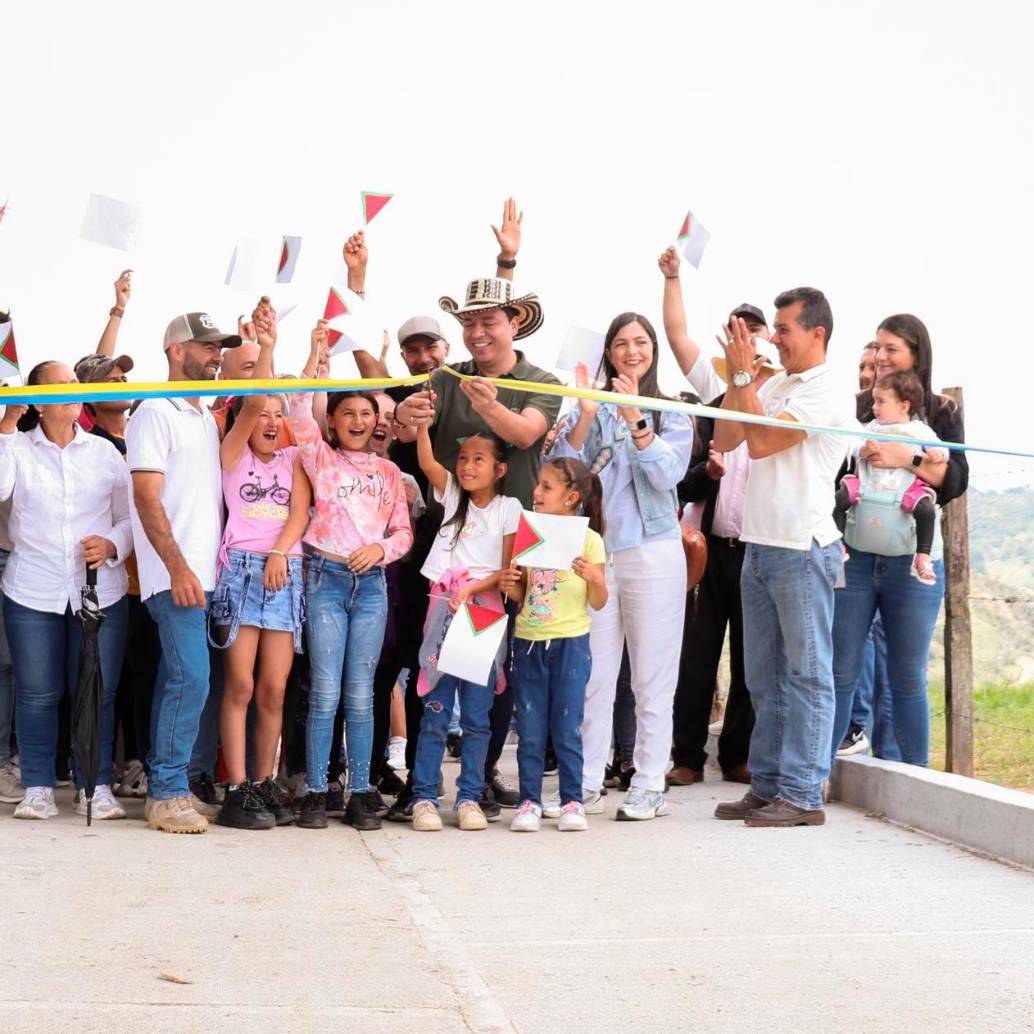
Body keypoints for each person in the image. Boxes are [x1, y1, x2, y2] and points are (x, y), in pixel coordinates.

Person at [395, 269, 561, 813]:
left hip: (521, 544)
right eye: (467, 323)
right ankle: (425, 790)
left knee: (502, 669)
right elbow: (414, 436)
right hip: (452, 550)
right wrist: (408, 414)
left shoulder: (544, 380)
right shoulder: (444, 377)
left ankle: (479, 777)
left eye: (488, 320)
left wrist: (488, 405)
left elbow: (524, 434)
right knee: (433, 672)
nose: (476, 333)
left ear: (514, 322)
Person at [712, 288, 849, 828]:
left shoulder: (828, 388)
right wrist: (735, 380)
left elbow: (765, 442)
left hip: (802, 545)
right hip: (760, 542)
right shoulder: (777, 384)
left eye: (783, 328)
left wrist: (748, 380)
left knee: (807, 673)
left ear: (816, 333)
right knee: (762, 677)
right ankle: (766, 785)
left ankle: (802, 794)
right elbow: (726, 437)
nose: (774, 337)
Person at [551, 312, 693, 821]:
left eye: (641, 342)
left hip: (653, 552)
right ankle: (584, 782)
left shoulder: (670, 412)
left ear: (653, 349)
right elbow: (564, 473)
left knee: (651, 676)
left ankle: (650, 781)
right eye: (620, 343)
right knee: (591, 673)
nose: (631, 351)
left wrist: (637, 419)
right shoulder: (593, 409)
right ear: (607, 352)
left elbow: (667, 475)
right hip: (597, 554)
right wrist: (588, 413)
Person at [829, 314, 968, 768]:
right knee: (841, 670)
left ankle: (910, 777)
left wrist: (902, 457)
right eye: (878, 347)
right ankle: (815, 776)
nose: (881, 356)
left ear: (916, 354)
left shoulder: (943, 411)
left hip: (912, 557)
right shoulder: (858, 407)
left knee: (906, 677)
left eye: (892, 348)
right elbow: (840, 470)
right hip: (856, 552)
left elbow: (954, 480)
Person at [289, 326, 413, 832]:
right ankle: (317, 790)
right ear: (333, 423)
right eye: (349, 414)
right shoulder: (320, 458)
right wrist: (317, 355)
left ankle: (361, 789)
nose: (360, 421)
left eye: (368, 414)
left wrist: (379, 549)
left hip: (371, 588)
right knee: (325, 691)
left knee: (362, 694)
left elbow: (403, 532)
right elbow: (298, 411)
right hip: (325, 579)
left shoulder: (388, 474)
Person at [659, 245, 773, 786]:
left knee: (750, 662)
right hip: (708, 549)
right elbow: (679, 339)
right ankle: (686, 757)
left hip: (756, 549)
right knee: (696, 657)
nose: (745, 340)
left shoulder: (781, 398)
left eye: (754, 332)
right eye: (737, 333)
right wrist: (674, 277)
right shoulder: (719, 390)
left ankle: (737, 756)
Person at [0, 361, 131, 820]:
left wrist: (114, 543)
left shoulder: (105, 453)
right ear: (35, 399)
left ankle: (94, 785)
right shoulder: (16, 447)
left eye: (76, 384)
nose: (74, 391)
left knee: (97, 690)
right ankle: (37, 786)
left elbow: (128, 516)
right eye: (62, 385)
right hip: (32, 589)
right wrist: (7, 426)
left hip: (100, 592)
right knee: (36, 693)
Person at [127, 310, 241, 834]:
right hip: (177, 575)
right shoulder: (153, 410)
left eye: (219, 346)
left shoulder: (199, 414)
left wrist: (267, 342)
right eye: (207, 346)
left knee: (189, 680)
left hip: (203, 573)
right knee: (189, 678)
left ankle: (174, 787)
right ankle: (167, 792)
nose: (216, 354)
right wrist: (177, 568)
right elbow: (146, 498)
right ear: (177, 350)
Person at [210, 310, 311, 830]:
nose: (270, 421)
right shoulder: (229, 454)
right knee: (241, 687)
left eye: (279, 413)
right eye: (263, 413)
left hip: (283, 571)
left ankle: (262, 781)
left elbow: (299, 514)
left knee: (274, 689)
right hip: (241, 573)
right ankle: (236, 787)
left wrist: (280, 554)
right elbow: (250, 404)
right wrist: (268, 347)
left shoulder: (293, 459)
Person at [410, 423, 520, 832]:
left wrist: (474, 586)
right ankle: (423, 797)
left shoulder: (509, 509)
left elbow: (508, 569)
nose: (468, 467)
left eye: (479, 459)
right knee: (436, 709)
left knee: (476, 715)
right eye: (462, 459)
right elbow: (425, 461)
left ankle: (470, 797)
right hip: (443, 608)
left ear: (500, 469)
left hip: (482, 613)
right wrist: (422, 425)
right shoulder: (453, 496)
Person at [500, 457, 608, 832]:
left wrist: (596, 577)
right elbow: (522, 594)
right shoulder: (529, 534)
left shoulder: (590, 541)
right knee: (530, 727)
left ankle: (571, 801)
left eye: (547, 487)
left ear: (571, 497)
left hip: (571, 644)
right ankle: (529, 800)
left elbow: (598, 601)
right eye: (538, 485)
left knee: (567, 726)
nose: (536, 492)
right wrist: (509, 582)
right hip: (529, 642)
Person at [74, 351, 161, 799]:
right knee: (110, 679)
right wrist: (117, 310)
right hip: (109, 581)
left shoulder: (142, 431)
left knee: (145, 676)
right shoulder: (85, 439)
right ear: (89, 392)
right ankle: (97, 767)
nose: (122, 381)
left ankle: (139, 762)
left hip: (145, 577)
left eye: (125, 374)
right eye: (111, 377)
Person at [833, 370, 947, 585]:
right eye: (874, 401)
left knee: (925, 510)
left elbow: (941, 449)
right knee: (839, 499)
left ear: (904, 406)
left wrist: (936, 453)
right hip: (867, 483)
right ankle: (838, 545)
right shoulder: (872, 428)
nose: (874, 407)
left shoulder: (918, 431)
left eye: (881, 401)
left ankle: (922, 556)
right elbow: (855, 448)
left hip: (904, 489)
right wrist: (866, 449)